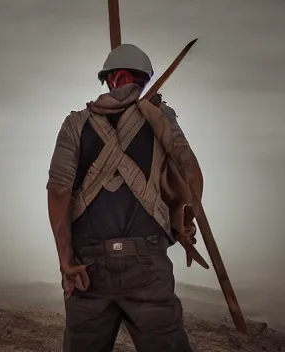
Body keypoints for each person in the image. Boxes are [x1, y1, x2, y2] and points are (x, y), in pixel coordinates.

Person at [46, 43, 204, 352]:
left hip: (87, 268)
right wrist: (183, 224)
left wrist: (66, 261)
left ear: (111, 78)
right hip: (148, 264)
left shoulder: (75, 125)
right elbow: (190, 176)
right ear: (140, 80)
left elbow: (59, 190)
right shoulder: (161, 118)